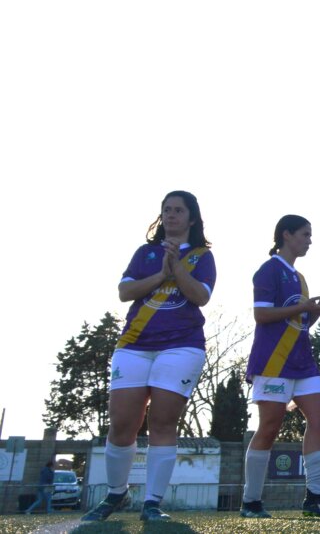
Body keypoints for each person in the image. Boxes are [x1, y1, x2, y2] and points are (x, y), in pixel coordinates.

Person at [82, 191, 217, 522]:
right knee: (123, 424)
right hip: (134, 344)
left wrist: (177, 271)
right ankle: (116, 492)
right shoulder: (145, 252)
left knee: (162, 422)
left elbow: (200, 296)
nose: (171, 215)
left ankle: (152, 502)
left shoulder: (203, 256)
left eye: (178, 210)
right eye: (166, 210)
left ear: (192, 218)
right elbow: (125, 292)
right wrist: (161, 273)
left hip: (182, 345)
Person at [240, 215, 320, 518]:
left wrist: (318, 311)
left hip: (303, 362)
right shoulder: (268, 270)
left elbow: (299, 323)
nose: (309, 240)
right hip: (274, 362)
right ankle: (250, 502)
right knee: (270, 427)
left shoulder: (299, 277)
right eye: (305, 234)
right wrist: (305, 306)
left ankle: (316, 497)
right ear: (286, 235)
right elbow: (261, 315)